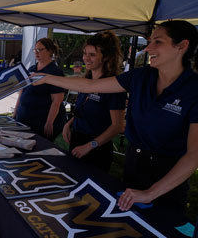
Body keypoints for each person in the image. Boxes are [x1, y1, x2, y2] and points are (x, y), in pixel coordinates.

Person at [32, 20, 198, 215]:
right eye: (149, 41)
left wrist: (150, 193)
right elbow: (91, 86)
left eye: (158, 42)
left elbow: (193, 155)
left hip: (168, 178)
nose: (148, 48)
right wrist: (46, 78)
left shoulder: (193, 90)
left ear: (182, 46)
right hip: (133, 166)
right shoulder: (141, 76)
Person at [62, 31, 126, 173]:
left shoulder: (114, 86)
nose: (86, 58)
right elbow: (83, 110)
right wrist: (68, 124)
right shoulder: (86, 81)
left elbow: (117, 126)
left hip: (97, 149)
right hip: (77, 140)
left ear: (106, 57)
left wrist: (90, 146)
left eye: (92, 55)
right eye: (85, 53)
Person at [13, 37, 66, 141]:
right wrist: (16, 111)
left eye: (40, 50)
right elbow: (22, 91)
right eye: (35, 50)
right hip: (24, 117)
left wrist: (49, 122)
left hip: (41, 120)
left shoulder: (55, 72)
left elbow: (57, 101)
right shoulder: (31, 69)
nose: (36, 53)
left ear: (50, 51)